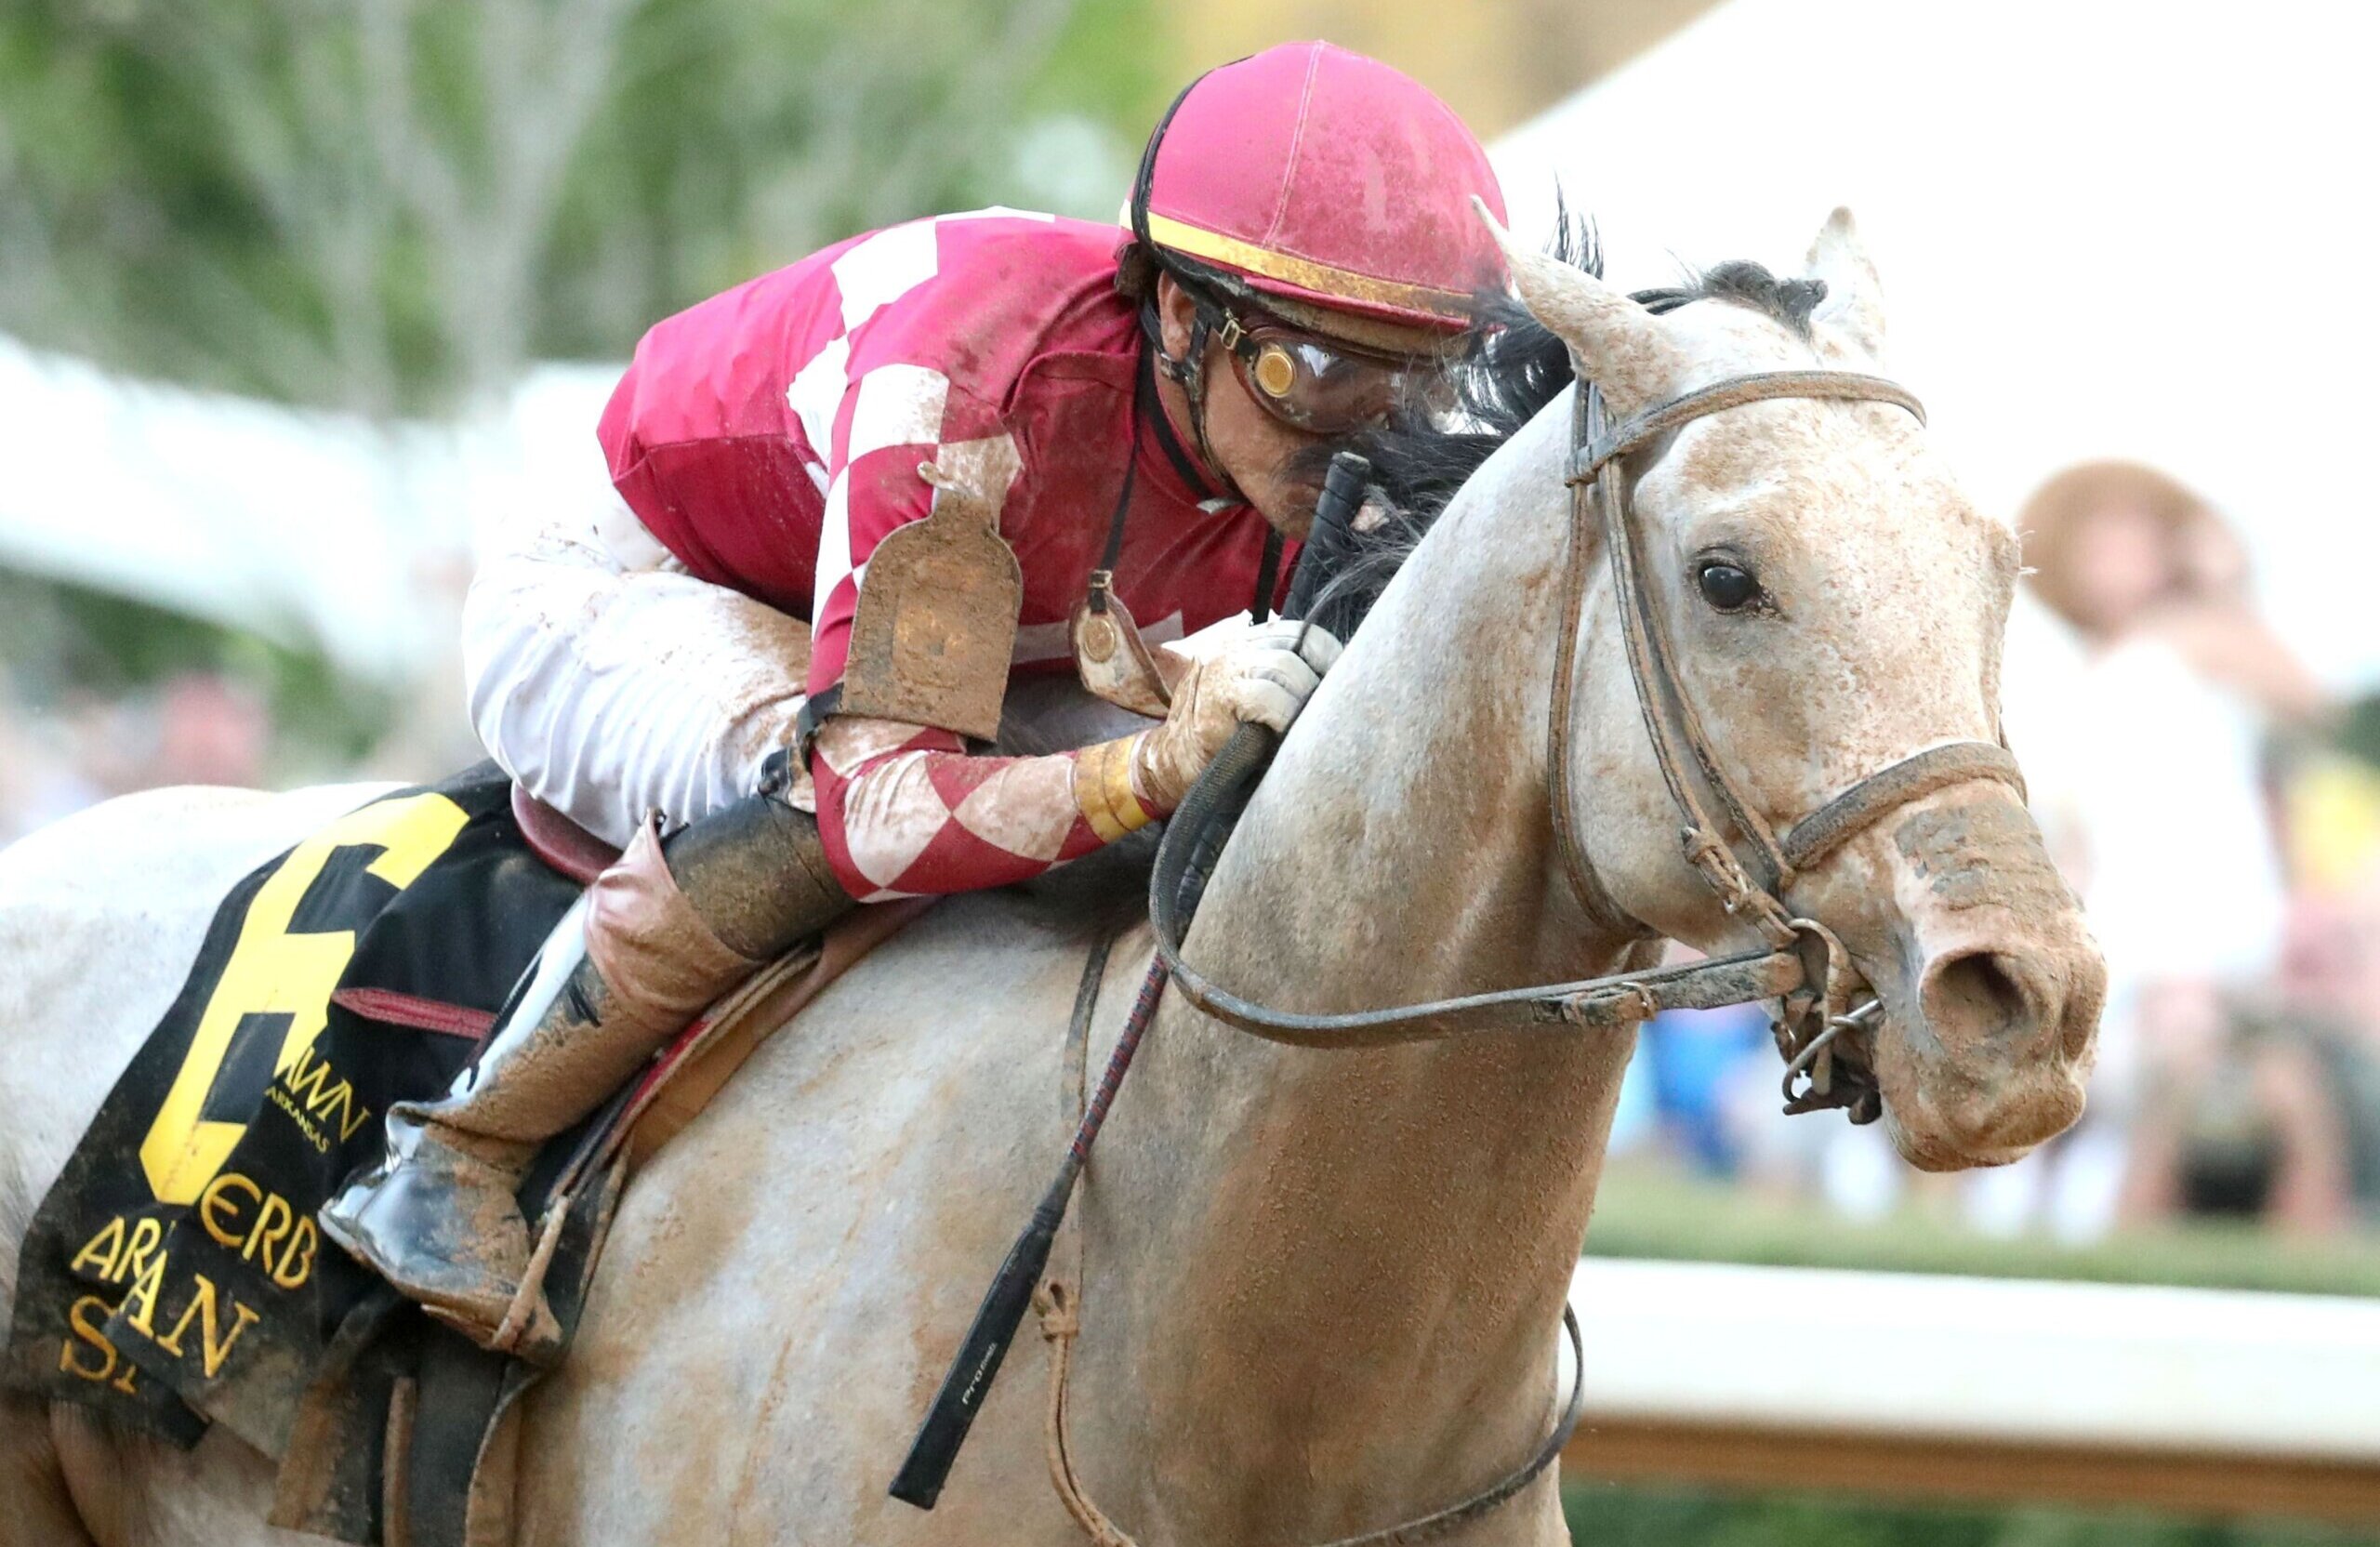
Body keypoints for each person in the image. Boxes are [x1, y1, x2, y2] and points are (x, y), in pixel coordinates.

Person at [324, 41, 1510, 1350]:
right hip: (629, 591)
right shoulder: (976, 384)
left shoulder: (1302, 432)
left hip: (981, 633)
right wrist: (1152, 768)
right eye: (1315, 375)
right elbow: (870, 810)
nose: (1366, 434)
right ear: (1180, 316)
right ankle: (459, 1153)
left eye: (1414, 382)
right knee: (825, 796)